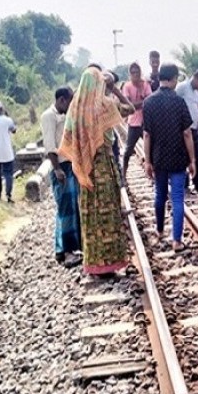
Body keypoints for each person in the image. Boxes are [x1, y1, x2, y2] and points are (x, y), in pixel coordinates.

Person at [58, 68, 134, 275]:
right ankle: (110, 262)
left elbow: (69, 140)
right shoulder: (105, 105)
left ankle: (94, 264)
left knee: (90, 216)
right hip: (104, 168)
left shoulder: (75, 108)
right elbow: (130, 108)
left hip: (84, 169)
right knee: (108, 213)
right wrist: (114, 89)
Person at [143, 63, 196, 252]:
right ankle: (176, 241)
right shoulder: (179, 102)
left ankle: (159, 231)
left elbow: (147, 135)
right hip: (177, 157)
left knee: (159, 194)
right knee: (178, 198)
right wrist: (193, 160)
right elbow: (187, 133)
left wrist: (147, 160)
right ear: (173, 78)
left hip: (158, 158)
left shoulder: (148, 102)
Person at [41, 86, 82, 267]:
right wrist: (57, 169)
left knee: (71, 208)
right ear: (62, 100)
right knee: (65, 210)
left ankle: (68, 249)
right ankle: (65, 252)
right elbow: (50, 145)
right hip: (61, 166)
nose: (72, 104)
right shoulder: (48, 116)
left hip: (70, 165)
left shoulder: (63, 116)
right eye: (70, 100)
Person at [176, 69, 198, 192]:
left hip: (194, 129)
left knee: (197, 157)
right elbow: (175, 102)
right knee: (183, 157)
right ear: (197, 79)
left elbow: (197, 110)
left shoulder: (196, 93)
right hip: (183, 129)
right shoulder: (182, 87)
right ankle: (184, 184)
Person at [122, 62, 152, 176]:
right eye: (133, 72)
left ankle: (153, 173)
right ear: (130, 74)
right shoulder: (127, 86)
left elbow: (149, 101)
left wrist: (136, 104)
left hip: (145, 122)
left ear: (140, 72)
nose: (135, 74)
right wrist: (141, 102)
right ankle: (123, 175)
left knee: (151, 149)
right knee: (128, 151)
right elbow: (129, 106)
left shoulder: (145, 84)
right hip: (133, 123)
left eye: (137, 72)